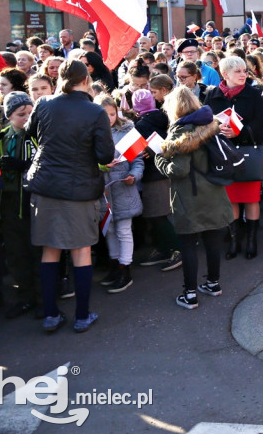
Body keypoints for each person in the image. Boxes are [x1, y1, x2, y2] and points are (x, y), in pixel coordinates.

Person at [25, 59, 115, 334]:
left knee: (50, 251)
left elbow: (30, 132)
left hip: (47, 185)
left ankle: (51, 315)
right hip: (79, 188)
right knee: (81, 252)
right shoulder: (94, 111)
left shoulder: (44, 104)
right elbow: (105, 155)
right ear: (86, 80)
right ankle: (82, 315)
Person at [155, 88, 232, 310]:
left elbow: (178, 170)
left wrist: (159, 160)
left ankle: (189, 295)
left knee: (188, 245)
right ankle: (213, 283)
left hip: (190, 196)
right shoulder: (210, 124)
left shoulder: (181, 132)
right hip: (214, 192)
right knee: (212, 240)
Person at [204, 56, 263, 260]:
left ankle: (251, 240)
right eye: (238, 72)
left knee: (250, 198)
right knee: (230, 199)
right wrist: (216, 127)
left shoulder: (254, 94)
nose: (243, 75)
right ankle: (234, 240)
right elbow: (205, 122)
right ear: (225, 75)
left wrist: (240, 132)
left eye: (244, 71)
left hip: (247, 152)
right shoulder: (212, 94)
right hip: (223, 154)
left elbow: (261, 124)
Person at [0, 92, 37, 320]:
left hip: (34, 201)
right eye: (20, 114)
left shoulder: (38, 134)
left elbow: (48, 161)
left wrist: (24, 164)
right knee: (16, 253)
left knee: (38, 251)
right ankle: (25, 297)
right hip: (7, 203)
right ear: (9, 115)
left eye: (29, 113)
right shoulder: (1, 136)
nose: (26, 117)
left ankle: (45, 297)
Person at [94, 94, 143, 294]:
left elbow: (138, 160)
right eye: (104, 115)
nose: (109, 119)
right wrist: (101, 167)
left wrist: (134, 175)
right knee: (109, 229)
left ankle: (125, 268)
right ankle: (114, 265)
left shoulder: (127, 131)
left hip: (123, 187)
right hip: (103, 190)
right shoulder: (91, 133)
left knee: (123, 229)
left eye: (112, 114)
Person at [132, 84, 182, 272]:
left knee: (157, 214)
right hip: (164, 170)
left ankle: (177, 249)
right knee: (159, 214)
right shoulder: (165, 118)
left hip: (153, 174)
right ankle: (164, 248)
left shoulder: (141, 125)